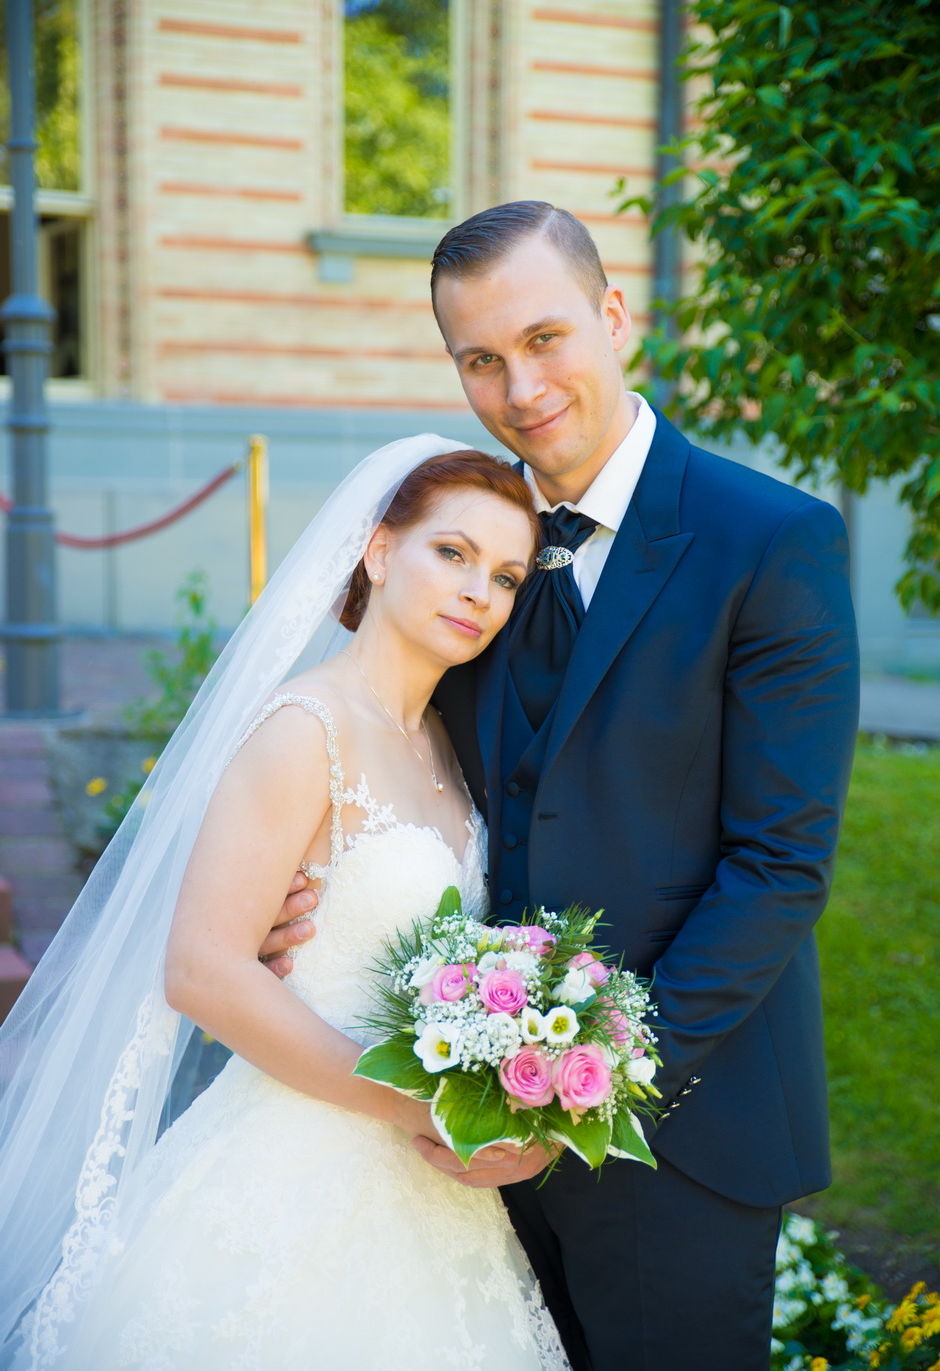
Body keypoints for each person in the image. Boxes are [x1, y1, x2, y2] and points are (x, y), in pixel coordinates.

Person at [263, 202, 860, 1371]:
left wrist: (577, 1095)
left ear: (613, 315)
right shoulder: (475, 555)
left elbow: (778, 868)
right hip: (462, 1148)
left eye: (543, 339)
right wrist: (308, 891)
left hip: (684, 1135)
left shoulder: (770, 542)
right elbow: (395, 761)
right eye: (479, 360)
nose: (518, 386)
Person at [0, 438, 572, 1371]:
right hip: (298, 1163)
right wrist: (410, 1102)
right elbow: (202, 970)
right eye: (453, 554)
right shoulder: (306, 728)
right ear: (380, 553)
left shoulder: (438, 742)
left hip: (437, 1193)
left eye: (506, 577)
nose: (480, 592)